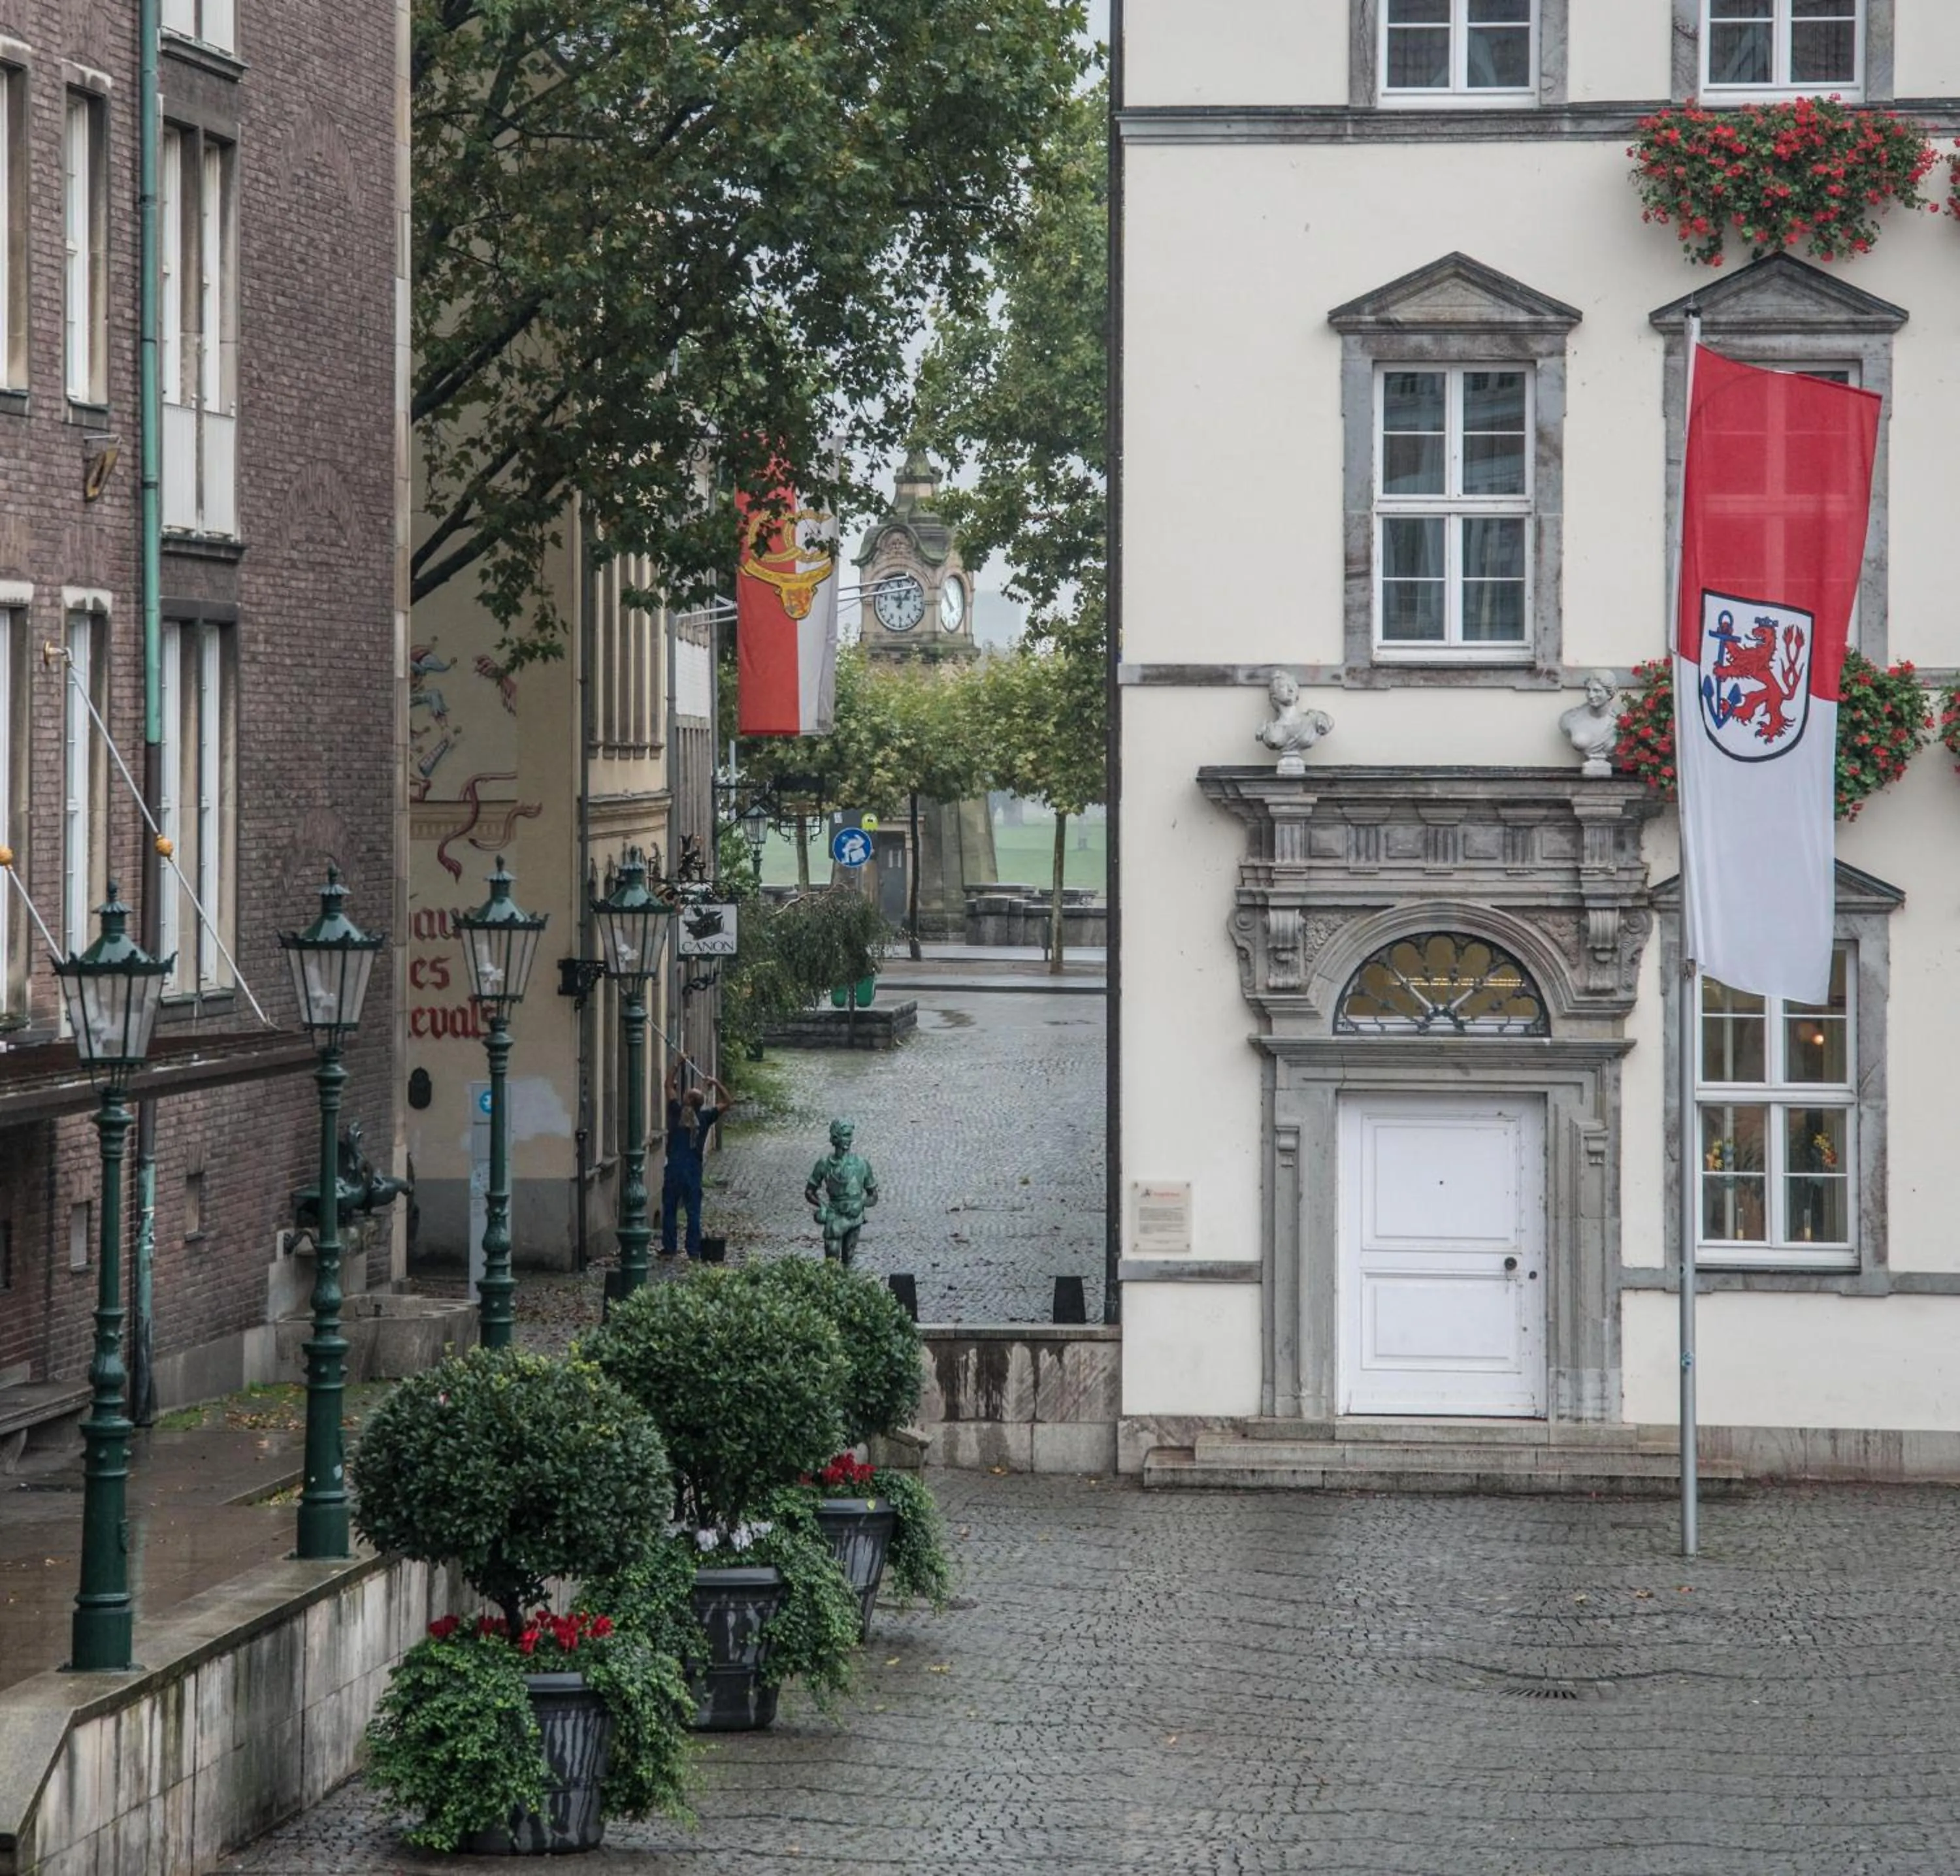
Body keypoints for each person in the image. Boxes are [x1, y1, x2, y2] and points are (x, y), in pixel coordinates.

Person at [661, 1058, 727, 1261]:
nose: (683, 1094)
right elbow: (728, 1103)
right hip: (693, 1169)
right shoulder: (705, 1117)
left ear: (687, 1101)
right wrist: (716, 1084)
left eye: (687, 1094)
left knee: (670, 1208)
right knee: (693, 1212)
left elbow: (667, 1084)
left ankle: (670, 1247)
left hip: (674, 1167)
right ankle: (693, 1249)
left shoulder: (676, 1112)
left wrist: (677, 1063)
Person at [804, 1118, 879, 1267]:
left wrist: (861, 1203)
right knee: (831, 1256)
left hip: (855, 1216)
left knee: (849, 1258)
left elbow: (874, 1195)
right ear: (835, 1137)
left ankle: (848, 1286)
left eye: (850, 1135)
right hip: (834, 1215)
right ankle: (831, 1286)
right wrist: (822, 1206)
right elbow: (809, 1192)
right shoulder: (824, 1164)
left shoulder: (861, 1164)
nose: (848, 1140)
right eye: (845, 1135)